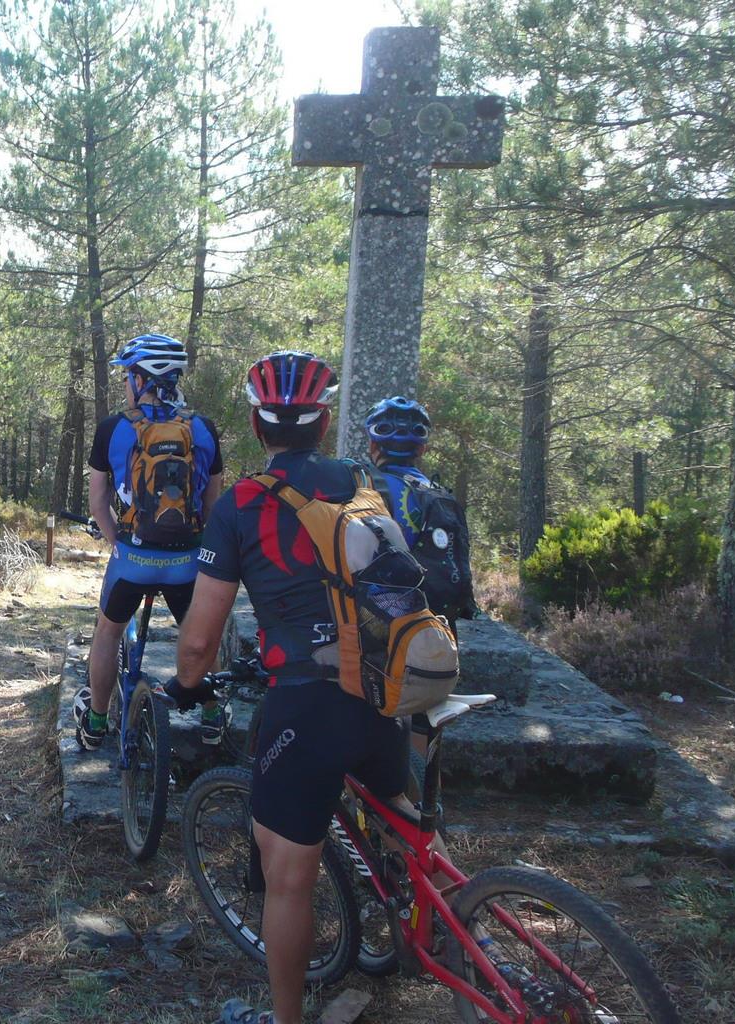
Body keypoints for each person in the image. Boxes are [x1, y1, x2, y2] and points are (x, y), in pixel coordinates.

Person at [168, 352, 410, 1024]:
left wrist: (186, 684)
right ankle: (468, 935)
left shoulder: (241, 504)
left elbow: (199, 639)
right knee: (404, 821)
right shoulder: (363, 483)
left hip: (307, 703)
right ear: (324, 422)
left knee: (288, 877)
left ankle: (285, 1019)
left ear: (256, 425)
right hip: (383, 686)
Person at [71, 334, 224, 750]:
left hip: (133, 560)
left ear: (141, 380)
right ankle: (213, 716)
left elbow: (98, 501)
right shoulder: (203, 429)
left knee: (108, 633)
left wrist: (118, 543)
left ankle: (96, 722)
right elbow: (214, 505)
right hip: (187, 562)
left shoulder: (113, 429)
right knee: (200, 633)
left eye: (127, 377)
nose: (125, 384)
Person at [364, 395, 476, 629]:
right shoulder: (439, 493)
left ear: (373, 445)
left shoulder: (366, 486)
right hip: (438, 624)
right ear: (422, 449)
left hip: (385, 621)